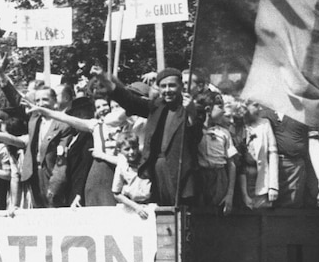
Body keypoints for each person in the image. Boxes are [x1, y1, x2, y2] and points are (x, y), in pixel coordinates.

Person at [96, 66, 202, 206]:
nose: (167, 90)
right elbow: (130, 101)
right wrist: (104, 79)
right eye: (163, 86)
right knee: (163, 219)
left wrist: (192, 113)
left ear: (181, 86)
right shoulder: (157, 106)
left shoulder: (191, 107)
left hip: (182, 174)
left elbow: (195, 138)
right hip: (158, 172)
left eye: (172, 85)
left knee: (184, 219)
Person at [195, 94, 237, 214]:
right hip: (201, 178)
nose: (223, 110)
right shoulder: (195, 131)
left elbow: (231, 164)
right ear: (208, 109)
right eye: (220, 106)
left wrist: (230, 194)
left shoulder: (224, 133)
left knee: (219, 214)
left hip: (219, 179)